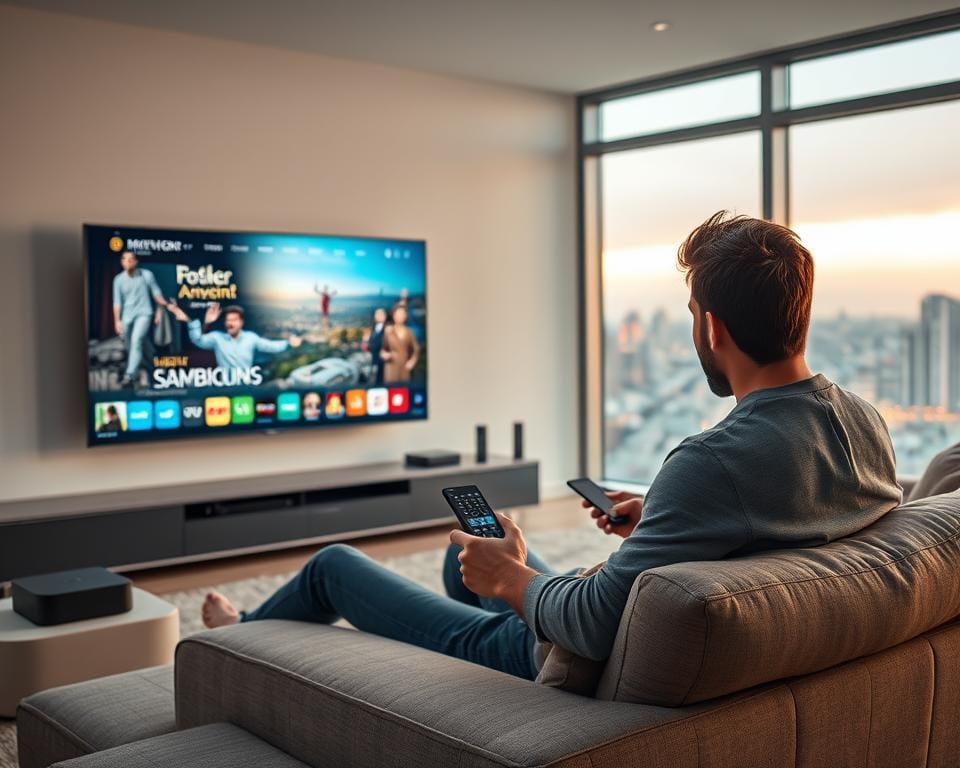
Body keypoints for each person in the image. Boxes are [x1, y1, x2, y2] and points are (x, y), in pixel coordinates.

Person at [201, 212, 901, 680]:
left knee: (333, 566)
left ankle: (236, 636)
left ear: (712, 329)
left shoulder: (712, 462)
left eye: (693, 314)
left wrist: (512, 580)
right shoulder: (863, 422)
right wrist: (659, 519)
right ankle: (488, 573)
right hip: (664, 626)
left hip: (554, 654)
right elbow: (789, 515)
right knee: (463, 561)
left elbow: (591, 625)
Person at [168, 302, 302, 369]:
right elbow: (198, 340)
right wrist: (190, 320)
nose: (230, 323)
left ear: (241, 322)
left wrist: (288, 343)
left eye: (234, 320)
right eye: (228, 320)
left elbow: (270, 346)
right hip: (223, 388)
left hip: (246, 387)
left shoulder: (250, 338)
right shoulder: (217, 338)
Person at [112, 251, 172, 387]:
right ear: (121, 262)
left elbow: (157, 294)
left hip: (144, 313)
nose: (128, 262)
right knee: (133, 344)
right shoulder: (118, 280)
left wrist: (163, 308)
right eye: (125, 259)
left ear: (136, 261)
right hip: (127, 316)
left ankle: (129, 375)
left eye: (131, 259)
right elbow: (117, 302)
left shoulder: (146, 275)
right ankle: (156, 365)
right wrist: (117, 321)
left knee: (136, 340)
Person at [381, 303, 419, 383]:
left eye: (402, 314)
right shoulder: (388, 331)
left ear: (405, 316)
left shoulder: (409, 332)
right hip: (391, 366)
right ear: (394, 315)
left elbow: (415, 350)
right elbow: (383, 349)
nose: (400, 316)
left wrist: (411, 362)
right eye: (398, 314)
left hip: (404, 366)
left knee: (404, 387)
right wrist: (385, 355)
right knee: (391, 388)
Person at [362, 308, 388, 385]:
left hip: (382, 362)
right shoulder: (374, 328)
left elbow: (380, 343)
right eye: (377, 314)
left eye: (381, 314)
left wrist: (369, 343)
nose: (379, 316)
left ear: (385, 316)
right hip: (373, 359)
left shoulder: (388, 329)